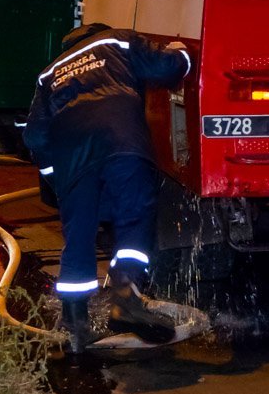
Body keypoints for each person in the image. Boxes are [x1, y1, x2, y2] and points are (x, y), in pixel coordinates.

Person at [24, 22, 191, 353]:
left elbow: (34, 137)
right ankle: (126, 294)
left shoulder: (50, 73)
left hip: (73, 158)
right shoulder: (117, 40)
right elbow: (164, 67)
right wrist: (182, 54)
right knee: (134, 211)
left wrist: (56, 179)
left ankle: (75, 324)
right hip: (120, 139)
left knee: (79, 234)